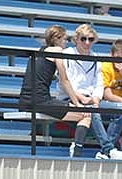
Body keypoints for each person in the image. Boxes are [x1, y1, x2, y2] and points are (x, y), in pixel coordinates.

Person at [18, 25, 91, 155]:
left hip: (25, 100)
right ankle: (77, 150)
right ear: (57, 39)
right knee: (85, 116)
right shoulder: (57, 50)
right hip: (40, 101)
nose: (66, 42)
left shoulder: (38, 51)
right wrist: (78, 104)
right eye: (65, 39)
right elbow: (65, 80)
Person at [54, 24, 117, 159]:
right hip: (69, 97)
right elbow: (65, 82)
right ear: (76, 39)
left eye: (91, 39)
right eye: (83, 39)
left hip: (91, 98)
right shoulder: (67, 55)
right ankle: (108, 149)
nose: (87, 42)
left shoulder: (96, 57)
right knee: (91, 111)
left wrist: (96, 98)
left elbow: (99, 84)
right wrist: (82, 98)